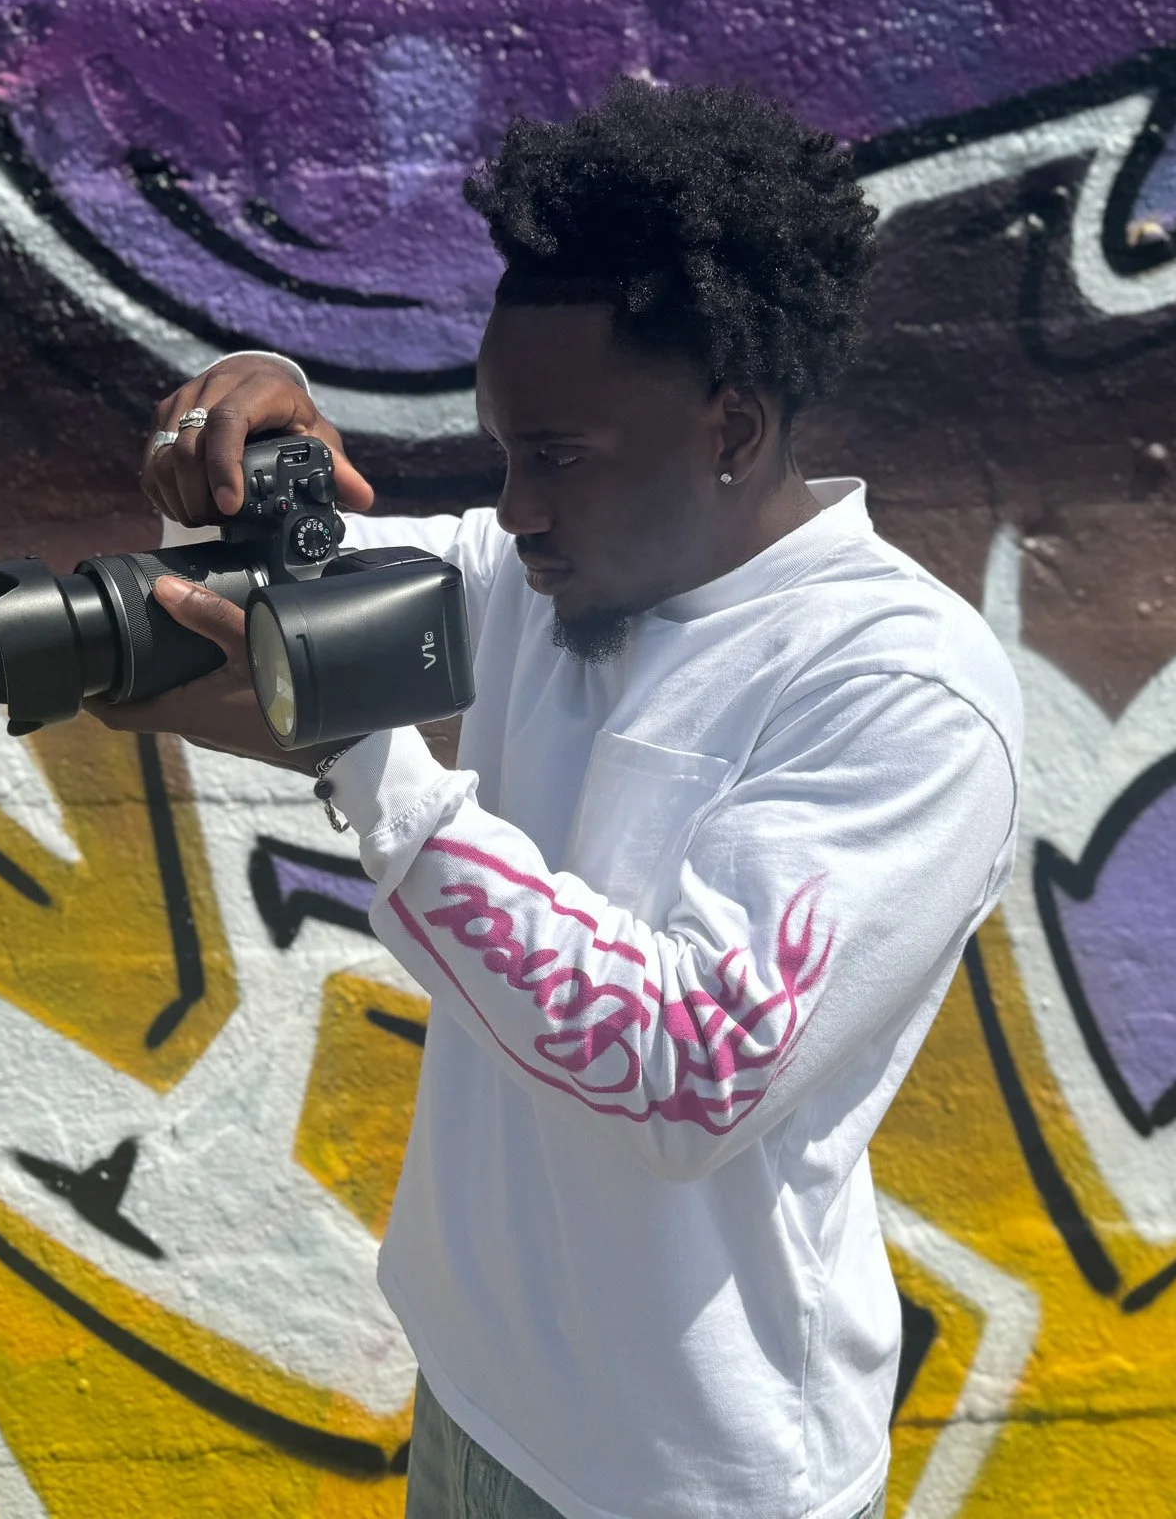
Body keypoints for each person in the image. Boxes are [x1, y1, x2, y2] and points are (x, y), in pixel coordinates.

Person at [93, 80, 1021, 1519]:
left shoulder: (899, 689)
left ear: (731, 428)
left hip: (687, 1482)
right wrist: (240, 465)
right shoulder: (539, 574)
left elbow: (690, 1073)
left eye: (562, 458)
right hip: (475, 1407)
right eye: (507, 449)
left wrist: (370, 760)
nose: (516, 506)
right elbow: (222, 629)